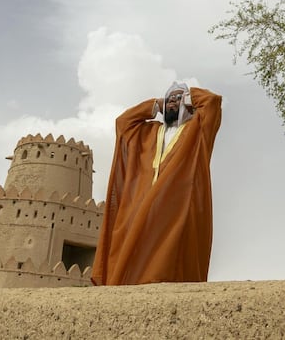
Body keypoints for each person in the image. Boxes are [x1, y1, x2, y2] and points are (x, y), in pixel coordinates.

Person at [91, 82, 223, 285]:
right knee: (129, 250)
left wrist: (188, 97)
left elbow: (212, 102)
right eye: (170, 98)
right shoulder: (147, 133)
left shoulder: (198, 130)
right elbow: (123, 122)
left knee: (168, 258)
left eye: (178, 99)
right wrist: (155, 105)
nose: (173, 101)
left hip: (176, 208)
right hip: (140, 204)